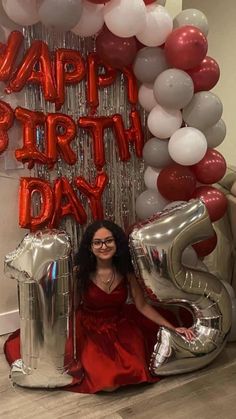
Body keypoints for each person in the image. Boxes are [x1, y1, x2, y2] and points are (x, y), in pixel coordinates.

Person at [72, 219, 195, 394]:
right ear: (90, 247)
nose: (104, 246)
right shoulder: (81, 273)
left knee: (135, 372)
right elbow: (73, 307)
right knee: (108, 384)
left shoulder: (126, 272)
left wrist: (173, 328)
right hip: (90, 328)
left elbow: (142, 306)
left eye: (109, 240)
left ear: (117, 243)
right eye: (97, 242)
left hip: (121, 325)